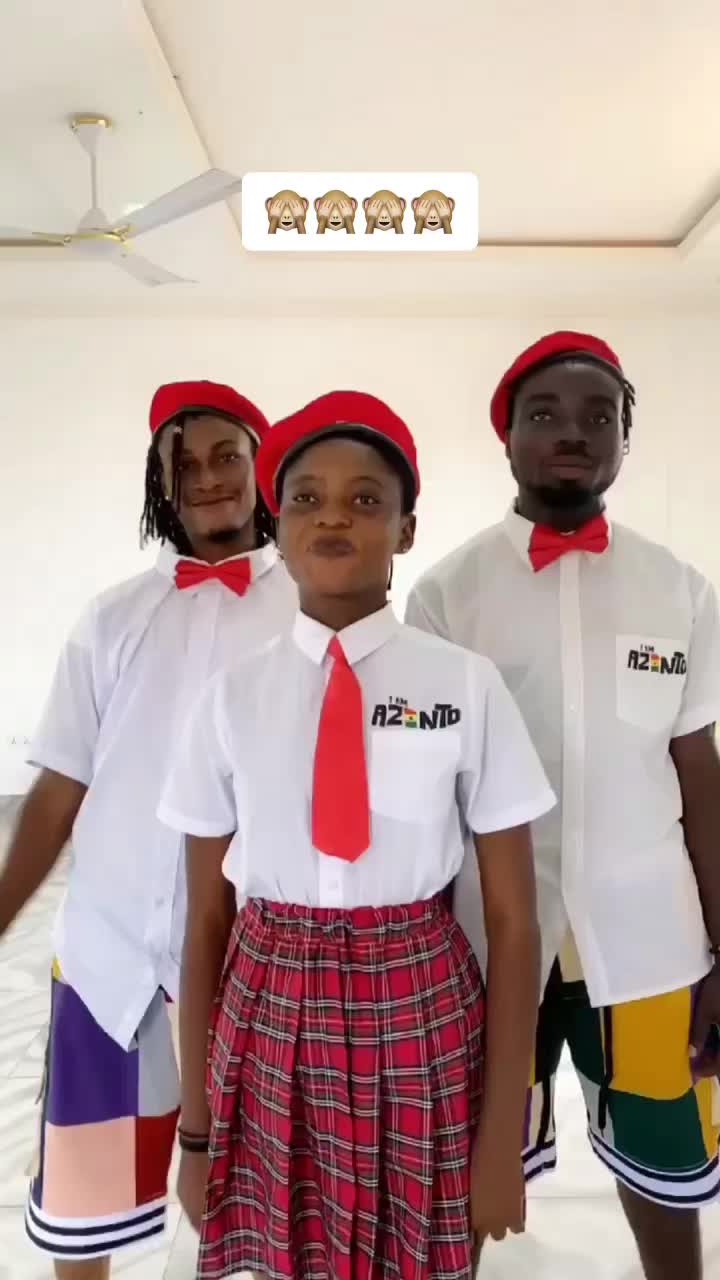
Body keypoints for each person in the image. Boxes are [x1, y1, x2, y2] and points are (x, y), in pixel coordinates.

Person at [157, 388, 556, 1280]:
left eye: (365, 499)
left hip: (422, 1006)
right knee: (291, 1254)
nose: (333, 515)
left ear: (406, 530)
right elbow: (205, 920)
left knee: (420, 1255)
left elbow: (514, 921)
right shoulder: (230, 697)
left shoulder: (467, 686)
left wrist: (502, 1138)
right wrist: (196, 1131)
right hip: (269, 1009)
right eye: (306, 497)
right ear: (277, 524)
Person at [405, 331, 720, 1280]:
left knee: (664, 1166)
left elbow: (699, 774)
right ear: (507, 436)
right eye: (544, 414)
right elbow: (425, 796)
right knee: (470, 1161)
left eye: (599, 415)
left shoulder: (680, 590)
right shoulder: (446, 596)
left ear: (626, 436)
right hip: (489, 941)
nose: (572, 432)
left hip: (653, 937)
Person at [0, 380, 296, 1279]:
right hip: (108, 959)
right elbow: (59, 787)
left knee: (260, 1211)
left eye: (225, 456)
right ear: (159, 485)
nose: (205, 477)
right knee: (85, 1208)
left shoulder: (308, 610)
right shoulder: (113, 617)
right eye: (182, 464)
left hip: (254, 965)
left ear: (261, 469)